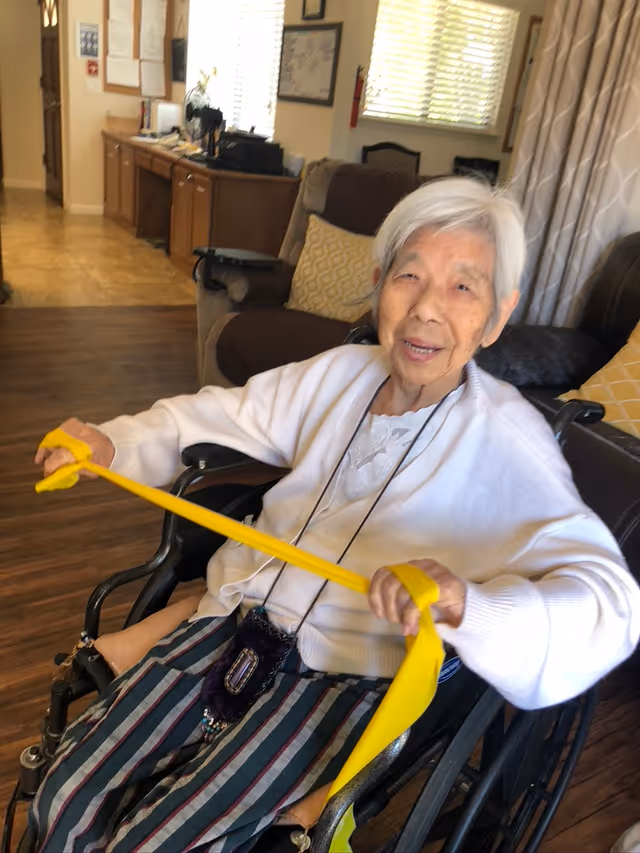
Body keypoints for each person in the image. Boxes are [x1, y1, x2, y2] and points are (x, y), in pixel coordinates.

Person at [32, 178, 640, 853]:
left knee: (158, 842)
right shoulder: (340, 373)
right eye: (410, 275)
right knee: (65, 796)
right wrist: (112, 442)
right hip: (227, 627)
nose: (427, 310)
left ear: (498, 316)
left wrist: (469, 604)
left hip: (333, 682)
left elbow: (610, 602)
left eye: (463, 287)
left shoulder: (510, 442)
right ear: (380, 282)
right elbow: (212, 415)